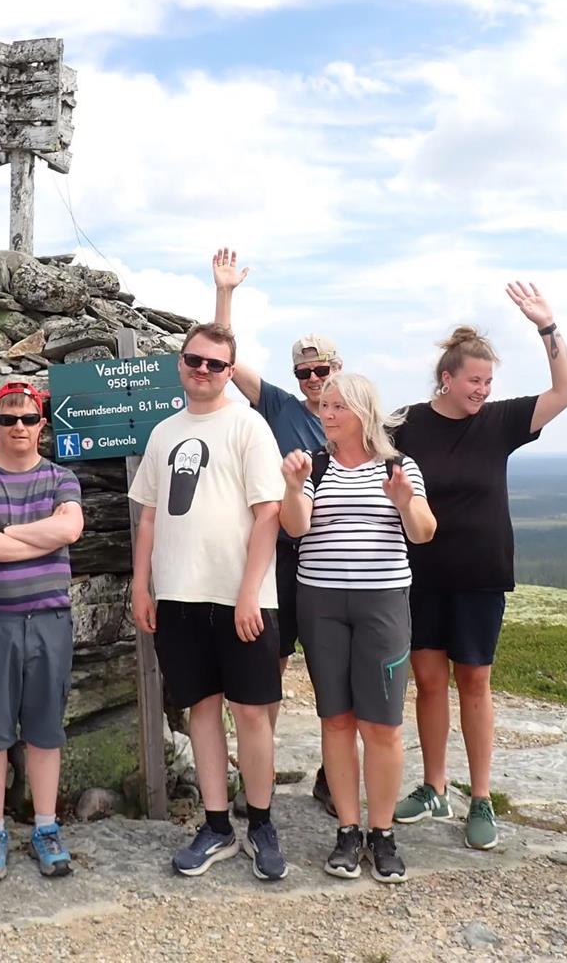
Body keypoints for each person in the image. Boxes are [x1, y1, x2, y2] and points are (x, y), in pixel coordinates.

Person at [392, 282, 567, 849]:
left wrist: (547, 327)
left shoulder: (499, 421)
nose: (482, 390)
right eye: (474, 380)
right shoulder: (405, 423)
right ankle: (434, 786)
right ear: (446, 379)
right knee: (428, 682)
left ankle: (479, 797)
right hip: (421, 574)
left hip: (479, 574)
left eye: (487, 382)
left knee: (474, 681)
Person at [129, 323, 287, 880]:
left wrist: (249, 593)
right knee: (201, 709)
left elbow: (269, 514)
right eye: (194, 360)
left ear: (229, 371)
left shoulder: (249, 426)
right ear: (181, 363)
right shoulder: (163, 432)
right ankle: (217, 825)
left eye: (215, 364)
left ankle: (261, 823)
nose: (203, 370)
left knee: (251, 712)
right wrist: (141, 584)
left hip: (240, 598)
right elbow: (150, 516)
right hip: (178, 596)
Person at [279, 373, 435, 882]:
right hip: (320, 603)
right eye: (324, 405)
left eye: (338, 406)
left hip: (383, 603)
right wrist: (293, 486)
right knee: (337, 720)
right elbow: (295, 526)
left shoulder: (399, 466)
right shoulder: (316, 465)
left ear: (365, 412)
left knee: (383, 725)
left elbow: (424, 532)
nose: (326, 414)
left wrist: (404, 500)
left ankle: (382, 833)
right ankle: (348, 830)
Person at [212, 247, 341, 814]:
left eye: (322, 370)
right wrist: (225, 294)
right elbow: (226, 360)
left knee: (333, 670)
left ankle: (334, 777)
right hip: (285, 554)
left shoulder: (356, 414)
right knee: (272, 664)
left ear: (338, 369)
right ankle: (256, 777)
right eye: (304, 373)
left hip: (334, 555)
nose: (313, 380)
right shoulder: (280, 406)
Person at [0, 382, 84, 886]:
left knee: (46, 730)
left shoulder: (61, 477)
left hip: (50, 621)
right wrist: (37, 537)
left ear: (41, 425)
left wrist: (5, 532)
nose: (19, 428)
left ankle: (46, 827)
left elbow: (69, 530)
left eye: (29, 419)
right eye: (8, 419)